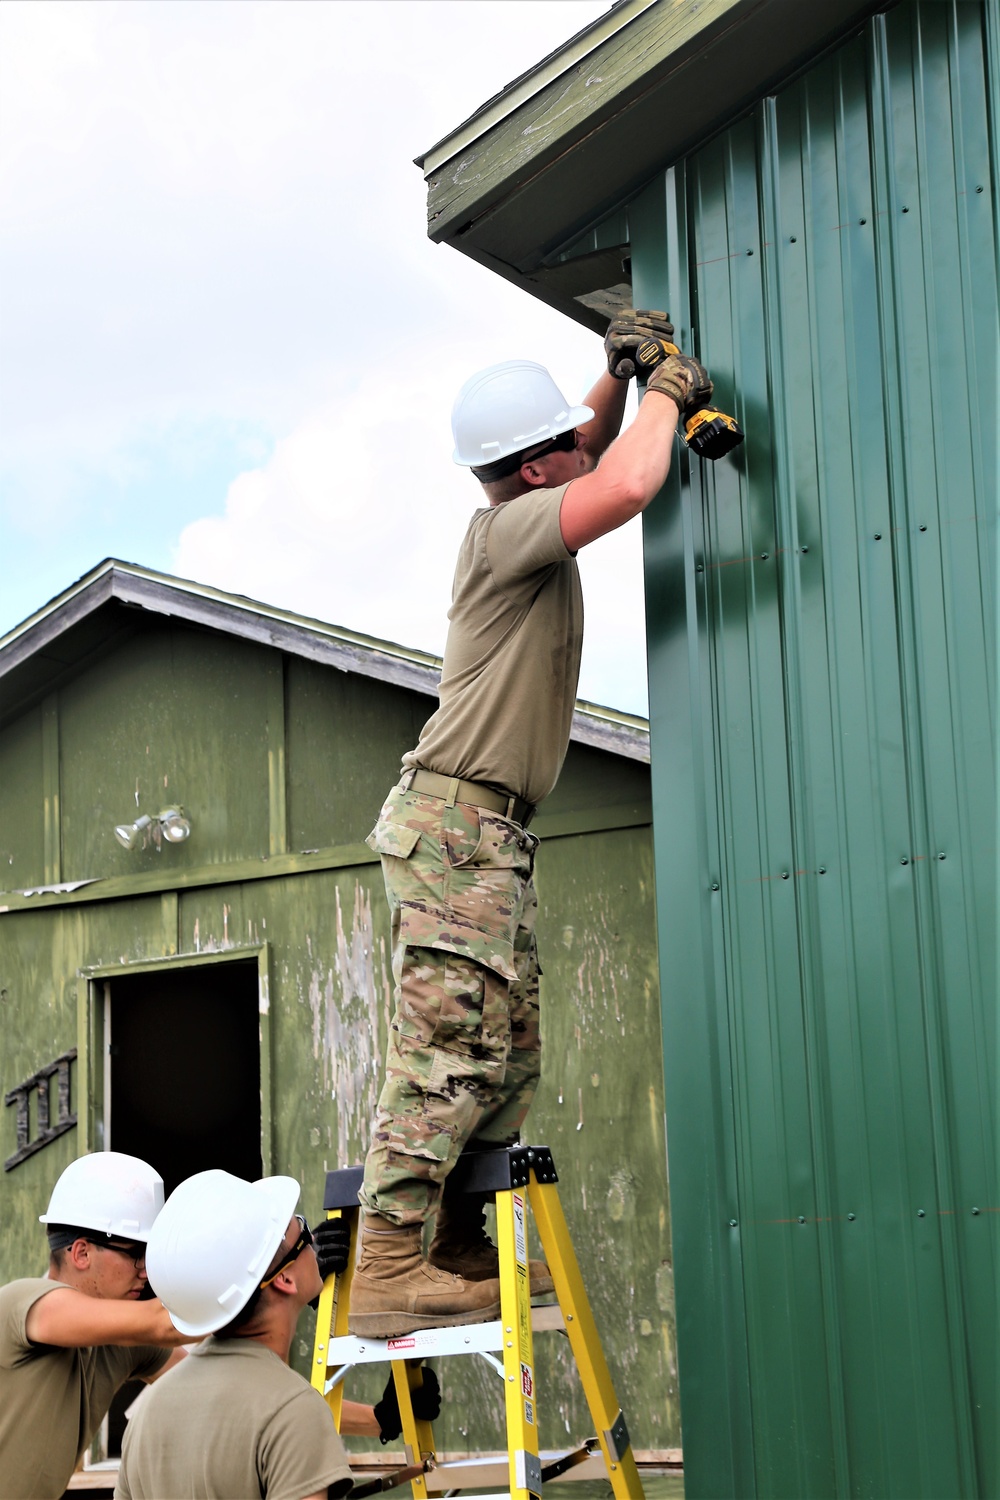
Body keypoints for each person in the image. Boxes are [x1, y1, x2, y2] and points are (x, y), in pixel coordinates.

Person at [351, 314, 715, 1337]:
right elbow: (629, 481)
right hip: (455, 824)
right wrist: (667, 396)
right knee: (445, 1051)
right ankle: (384, 1263)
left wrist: (610, 380)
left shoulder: (523, 497)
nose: (582, 445)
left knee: (509, 1051)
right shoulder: (508, 531)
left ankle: (459, 1243)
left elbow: (590, 453)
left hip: (489, 834)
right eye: (565, 440)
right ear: (531, 466)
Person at [116, 1169, 441, 1500]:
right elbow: (271, 1416)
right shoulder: (293, 1409)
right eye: (300, 1228)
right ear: (284, 1280)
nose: (313, 1239)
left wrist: (380, 1419)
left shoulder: (146, 1416)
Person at [0, 1151, 194, 1499]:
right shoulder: (25, 1302)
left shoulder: (122, 1340)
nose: (146, 1271)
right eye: (137, 1252)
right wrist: (264, 1271)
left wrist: (291, 1270)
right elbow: (164, 1322)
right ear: (81, 1253)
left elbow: (206, 1382)